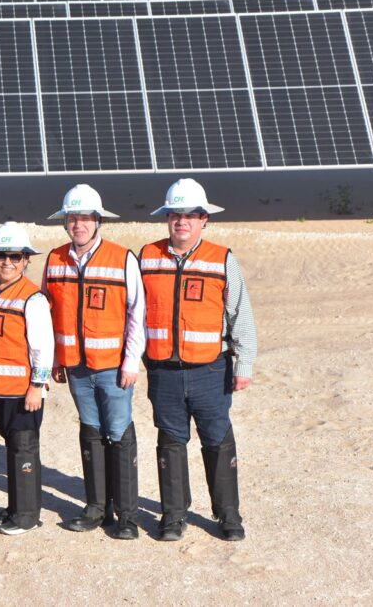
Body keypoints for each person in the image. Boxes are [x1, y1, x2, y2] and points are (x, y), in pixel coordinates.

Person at [140, 179, 256, 542]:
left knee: (217, 440)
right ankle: (173, 515)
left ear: (204, 219)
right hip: (164, 372)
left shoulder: (223, 259)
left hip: (211, 370)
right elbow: (133, 313)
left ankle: (228, 515)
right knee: (170, 442)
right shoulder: (146, 257)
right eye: (175, 214)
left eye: (190, 214)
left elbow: (240, 314)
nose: (182, 221)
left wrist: (244, 364)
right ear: (167, 218)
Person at [43, 184, 145, 539]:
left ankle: (127, 515)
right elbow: (48, 313)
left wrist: (131, 360)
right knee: (90, 431)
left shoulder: (122, 258)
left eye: (85, 218)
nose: (79, 225)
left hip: (113, 367)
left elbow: (137, 313)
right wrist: (56, 359)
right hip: (75, 367)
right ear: (65, 222)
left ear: (98, 220)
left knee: (118, 432)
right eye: (73, 218)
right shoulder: (55, 259)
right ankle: (97, 507)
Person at [0, 222, 54, 535]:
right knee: (12, 448)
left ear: (26, 260)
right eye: (1, 255)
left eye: (15, 256)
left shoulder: (33, 298)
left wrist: (36, 387)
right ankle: (16, 506)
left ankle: (27, 515)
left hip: (21, 391)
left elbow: (43, 346)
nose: (7, 262)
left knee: (23, 449)